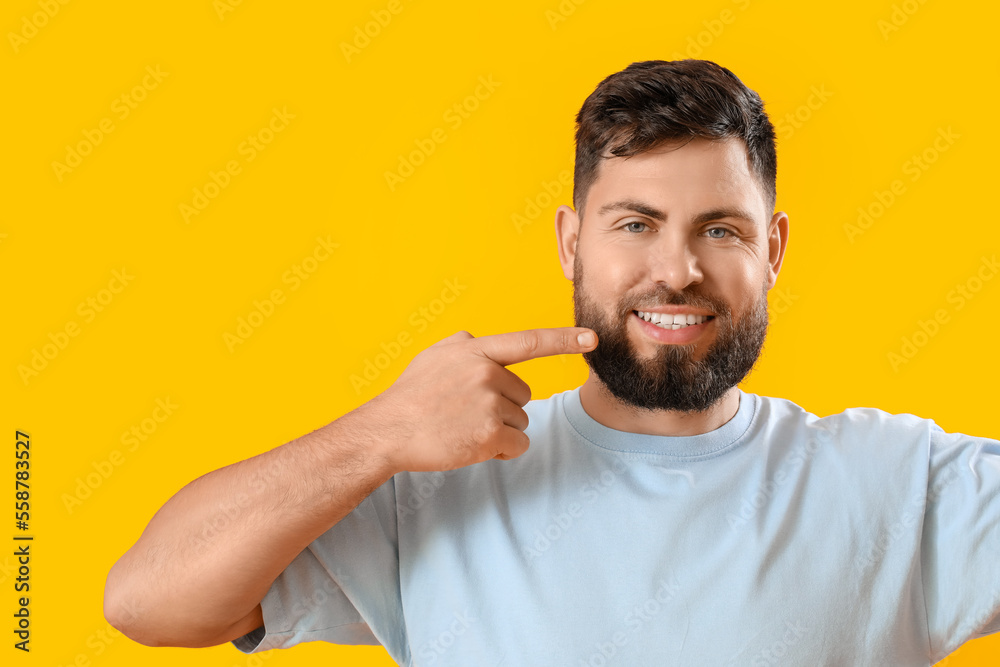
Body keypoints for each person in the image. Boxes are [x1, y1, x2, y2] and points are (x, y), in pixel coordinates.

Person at [103, 59, 1000, 666]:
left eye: (718, 230)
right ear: (573, 244)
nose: (676, 270)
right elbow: (149, 600)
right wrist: (380, 434)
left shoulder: (900, 485)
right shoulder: (437, 485)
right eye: (635, 223)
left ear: (772, 249)